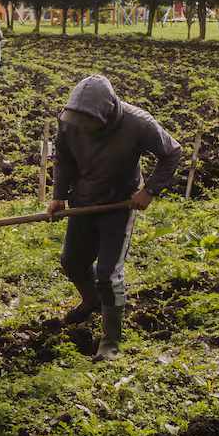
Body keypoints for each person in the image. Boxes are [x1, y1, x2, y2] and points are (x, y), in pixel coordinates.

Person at [47, 75, 182, 361]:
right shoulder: (68, 121)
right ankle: (92, 299)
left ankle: (111, 341)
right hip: (82, 202)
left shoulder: (138, 123)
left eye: (89, 122)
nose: (82, 127)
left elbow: (172, 152)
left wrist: (150, 190)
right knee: (72, 263)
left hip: (119, 206)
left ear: (106, 114)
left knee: (109, 275)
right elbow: (63, 157)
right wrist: (58, 194)